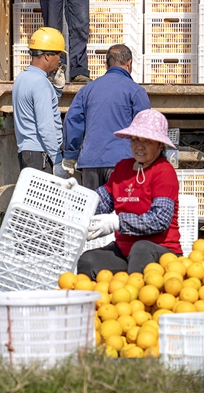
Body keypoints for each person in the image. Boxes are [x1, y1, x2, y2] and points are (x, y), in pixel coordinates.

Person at [77, 109, 181, 279]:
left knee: (141, 249)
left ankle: (140, 303)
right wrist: (76, 197)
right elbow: (99, 203)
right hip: (125, 252)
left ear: (160, 145)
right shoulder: (122, 168)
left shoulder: (164, 171)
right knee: (89, 261)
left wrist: (118, 222)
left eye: (147, 141)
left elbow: (160, 220)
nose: (139, 146)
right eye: (135, 139)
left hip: (161, 253)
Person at [62, 44, 150, 190]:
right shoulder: (136, 91)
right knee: (121, 211)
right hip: (123, 163)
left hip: (91, 162)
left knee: (93, 209)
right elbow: (145, 130)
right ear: (129, 64)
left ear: (106, 64)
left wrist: (71, 154)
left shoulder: (87, 90)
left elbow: (72, 120)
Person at [12, 27, 68, 177]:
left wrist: (56, 89)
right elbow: (45, 126)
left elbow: (42, 109)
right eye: (59, 55)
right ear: (47, 56)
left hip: (27, 153)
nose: (60, 61)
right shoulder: (40, 83)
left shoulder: (22, 78)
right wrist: (56, 160)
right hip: (40, 155)